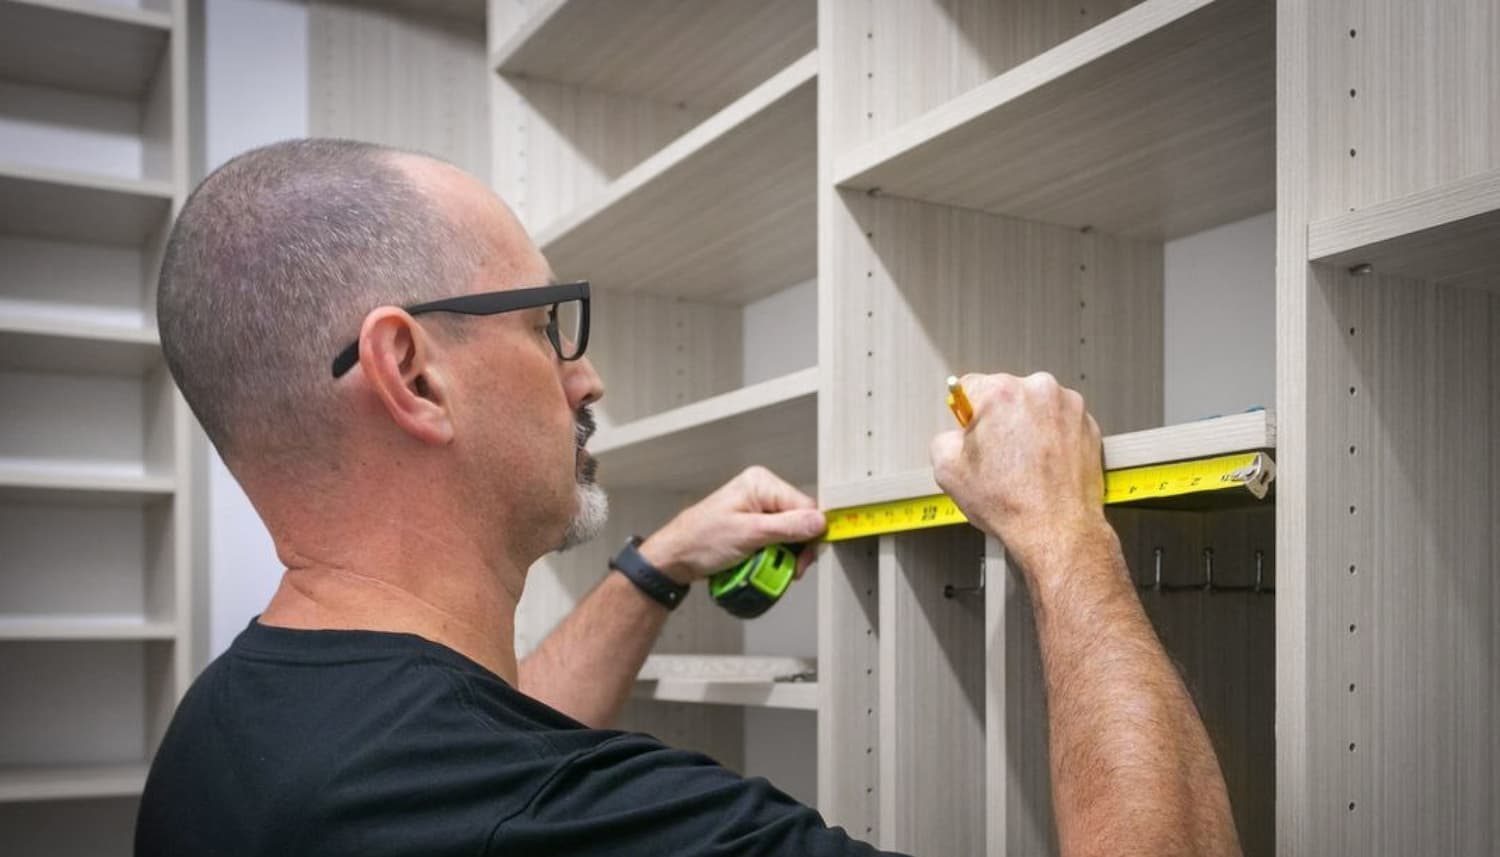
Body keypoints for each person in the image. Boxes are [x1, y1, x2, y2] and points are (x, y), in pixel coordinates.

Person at [135, 139, 1239, 856]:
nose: (586, 376)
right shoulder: (571, 821)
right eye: (545, 323)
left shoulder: (229, 726)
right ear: (413, 372)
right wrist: (1063, 532)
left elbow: (492, 739)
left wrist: (655, 563)